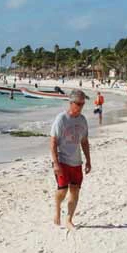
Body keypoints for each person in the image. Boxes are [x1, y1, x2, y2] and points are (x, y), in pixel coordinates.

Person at [50, 89, 91, 230]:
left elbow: (84, 141)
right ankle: (56, 209)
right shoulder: (61, 119)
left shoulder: (83, 120)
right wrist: (55, 163)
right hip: (62, 160)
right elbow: (53, 142)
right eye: (78, 104)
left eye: (83, 104)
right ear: (71, 103)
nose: (81, 106)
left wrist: (88, 161)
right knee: (62, 191)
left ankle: (69, 219)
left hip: (76, 162)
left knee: (75, 191)